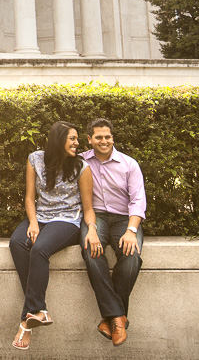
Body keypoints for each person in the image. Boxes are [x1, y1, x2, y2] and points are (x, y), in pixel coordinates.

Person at [8, 121, 100, 351]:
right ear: (59, 140)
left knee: (40, 249)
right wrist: (33, 222)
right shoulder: (35, 159)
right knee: (17, 242)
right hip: (41, 216)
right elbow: (29, 198)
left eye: (77, 139)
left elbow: (88, 208)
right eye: (72, 139)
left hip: (68, 220)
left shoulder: (82, 167)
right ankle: (37, 310)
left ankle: (28, 319)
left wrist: (92, 229)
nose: (77, 143)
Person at [80, 118, 147, 347]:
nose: (104, 141)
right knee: (91, 252)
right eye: (98, 137)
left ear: (113, 138)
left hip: (124, 219)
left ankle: (110, 318)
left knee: (131, 256)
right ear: (89, 139)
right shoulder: (80, 162)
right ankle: (119, 318)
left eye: (107, 136)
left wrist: (131, 229)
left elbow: (138, 201)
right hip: (94, 217)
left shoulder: (129, 164)